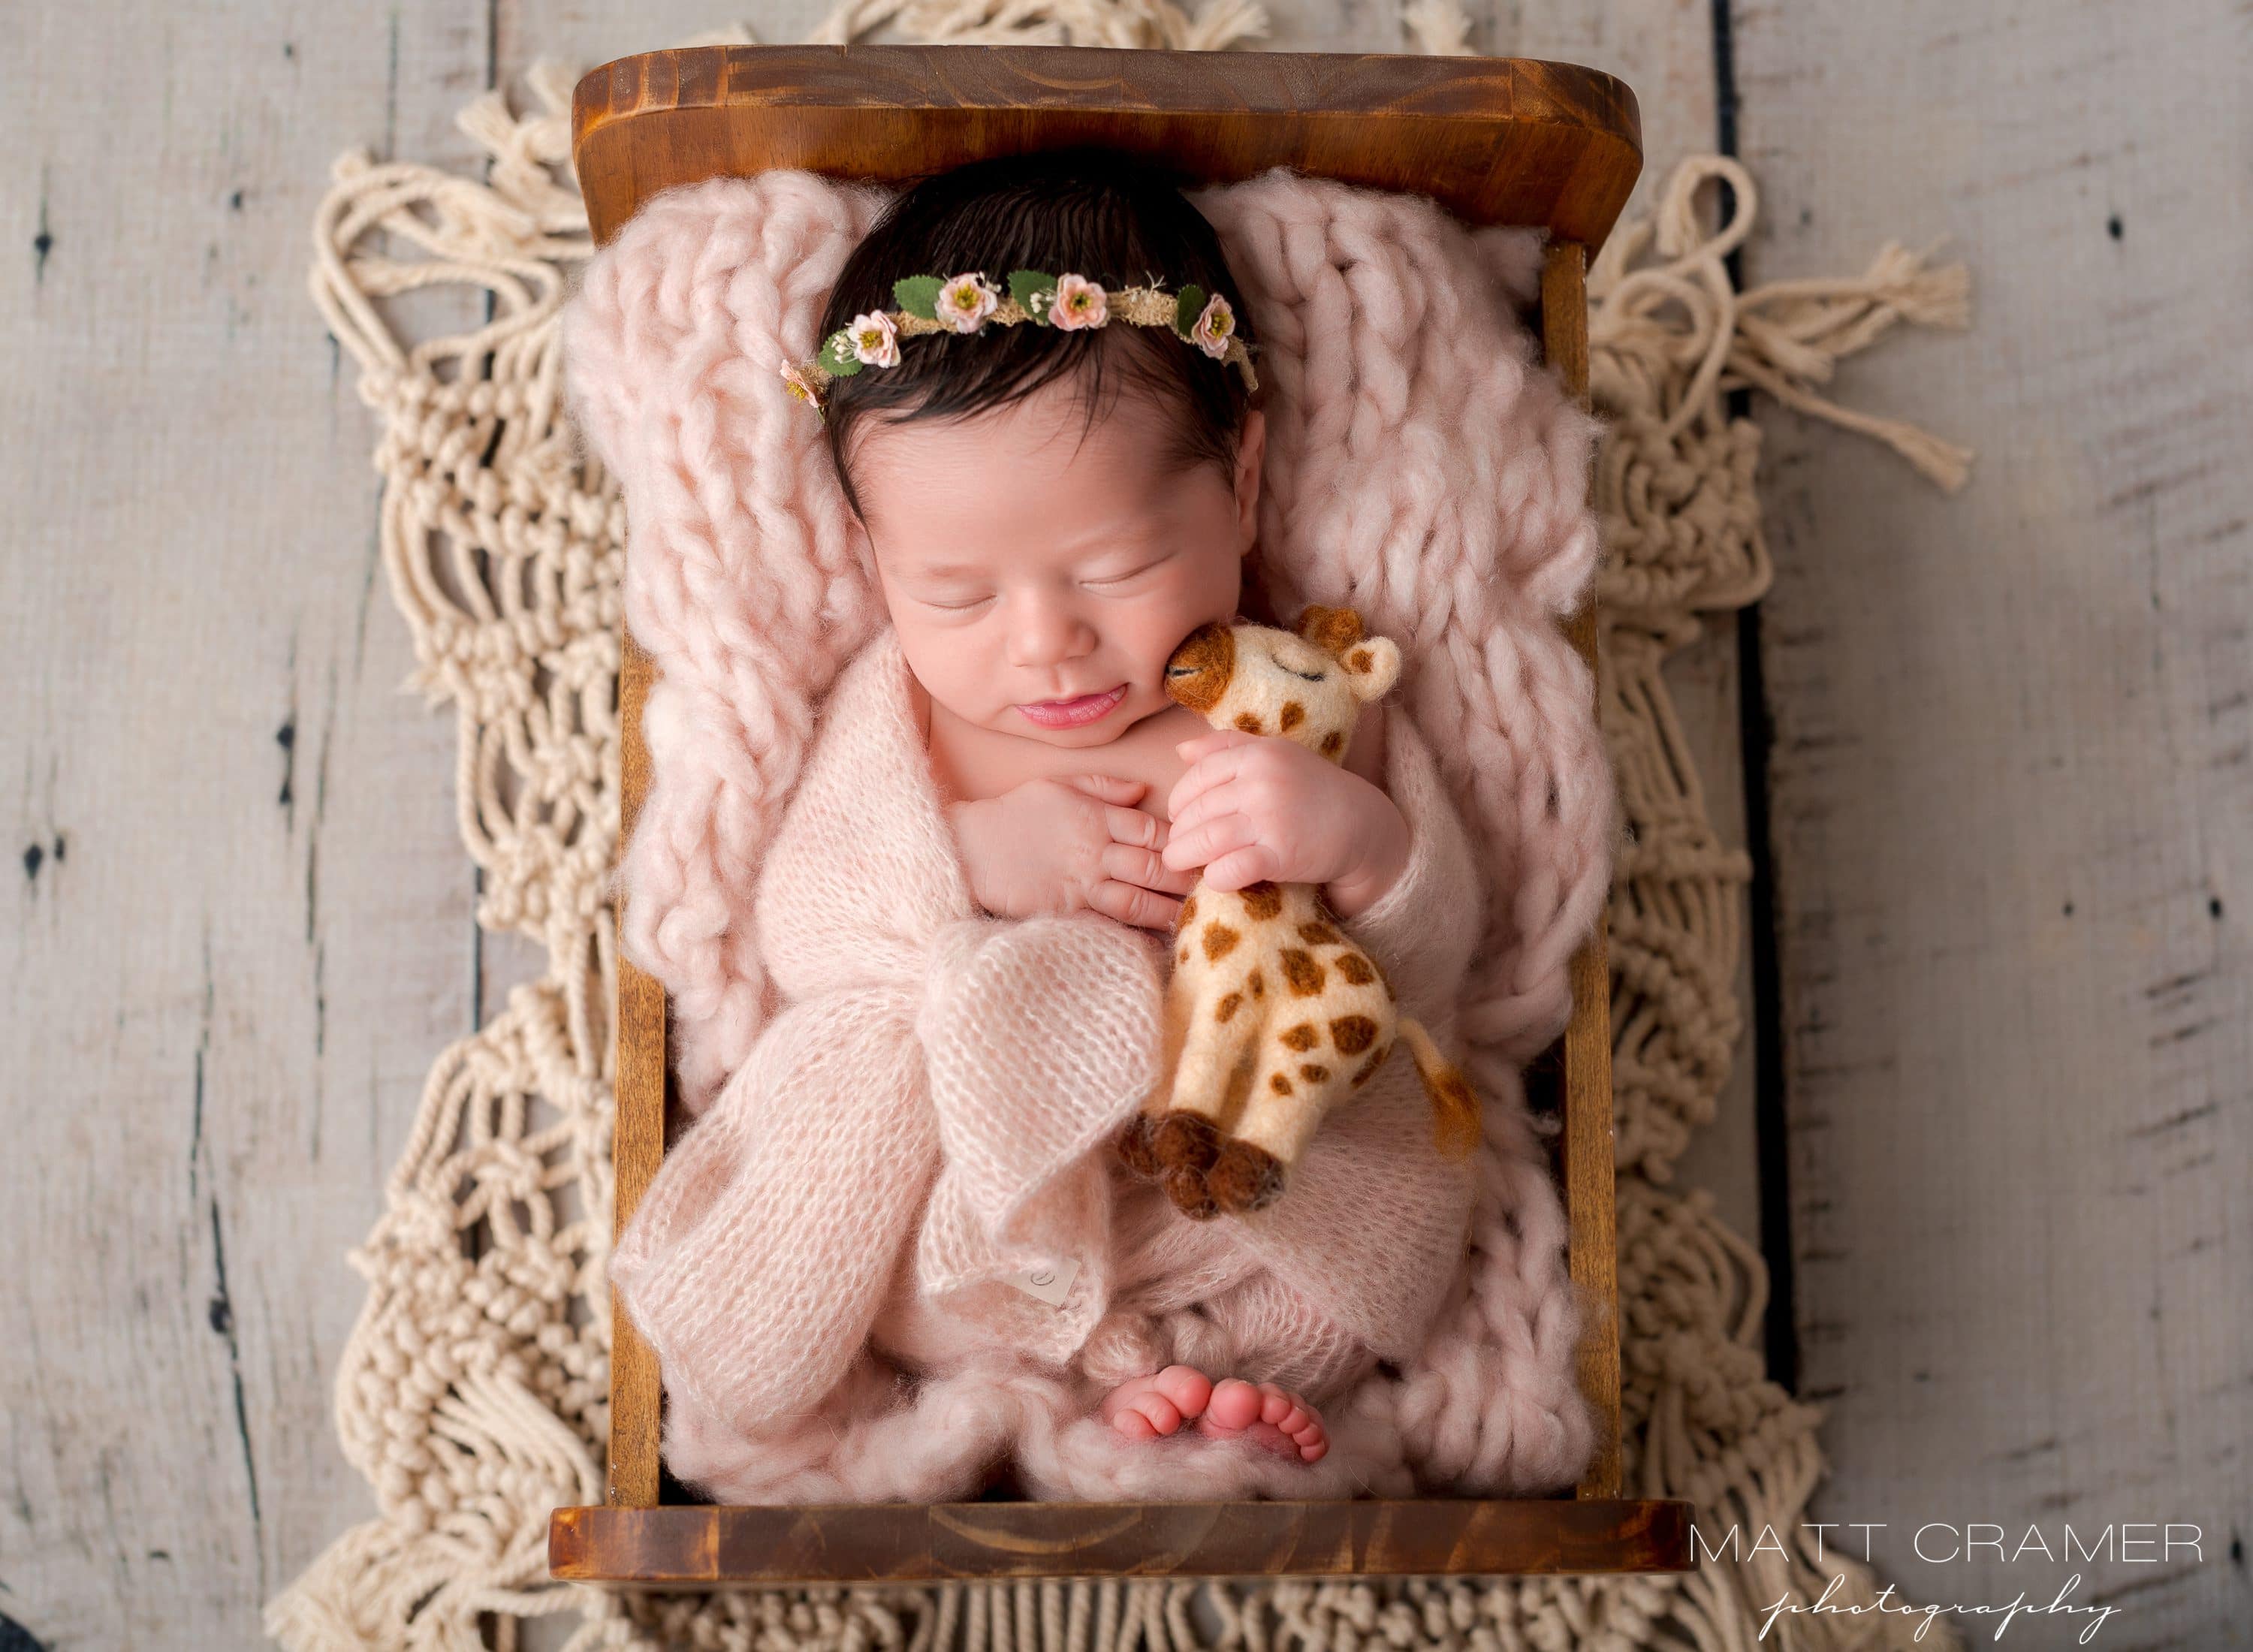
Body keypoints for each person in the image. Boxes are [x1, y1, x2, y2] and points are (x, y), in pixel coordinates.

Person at [610, 147, 1505, 1502]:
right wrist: (965, 866)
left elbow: (1432, 961)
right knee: (898, 1201)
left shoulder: (1302, 701)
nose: (1047, 646)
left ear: (1243, 482)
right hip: (999, 1182)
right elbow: (809, 925)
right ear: (873, 561)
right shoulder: (905, 717)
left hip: (1241, 1172)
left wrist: (1360, 845)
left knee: (1367, 1209)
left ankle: (1208, 1391)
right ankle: (1113, 1391)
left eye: (1116, 567)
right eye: (959, 593)